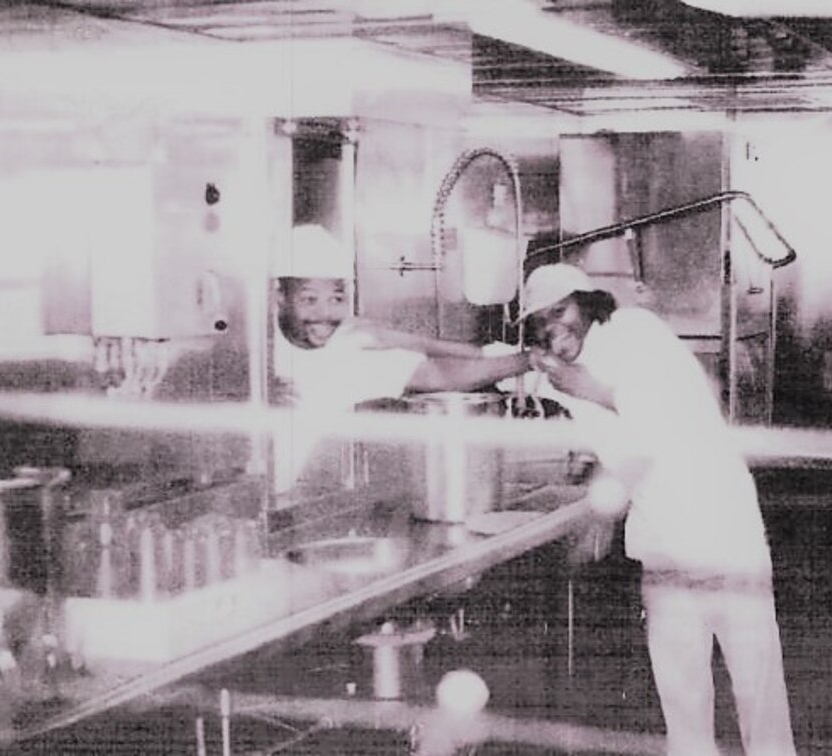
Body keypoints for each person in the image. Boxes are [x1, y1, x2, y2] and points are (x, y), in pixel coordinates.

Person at [520, 262, 796, 756]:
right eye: (539, 321)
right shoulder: (565, 368)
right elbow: (499, 367)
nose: (550, 328)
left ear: (588, 302)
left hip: (723, 535)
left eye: (559, 311)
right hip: (664, 549)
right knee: (683, 703)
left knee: (758, 695)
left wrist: (601, 507)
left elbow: (670, 423)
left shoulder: (635, 333)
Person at [272, 224, 529, 492]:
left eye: (336, 298)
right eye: (309, 299)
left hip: (303, 497)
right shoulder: (257, 353)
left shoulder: (350, 347)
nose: (324, 313)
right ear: (279, 297)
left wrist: (529, 360)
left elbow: (443, 374)